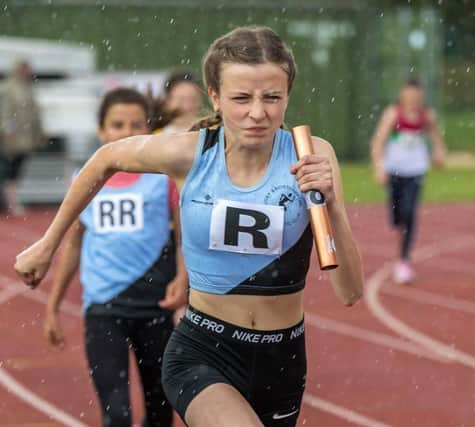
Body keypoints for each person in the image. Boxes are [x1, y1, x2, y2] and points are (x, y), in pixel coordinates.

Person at [15, 26, 364, 427]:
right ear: (214, 95)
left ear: (288, 95)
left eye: (272, 97)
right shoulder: (190, 154)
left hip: (281, 357)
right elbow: (106, 158)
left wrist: (332, 204)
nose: (257, 112)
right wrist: (47, 244)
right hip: (203, 351)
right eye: (241, 98)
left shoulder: (312, 154)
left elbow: (350, 291)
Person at [42, 87, 188, 427]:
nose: (126, 133)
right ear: (101, 130)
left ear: (148, 128)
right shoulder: (86, 180)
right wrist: (52, 307)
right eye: (117, 125)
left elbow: (185, 237)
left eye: (136, 124)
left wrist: (183, 278)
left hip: (155, 307)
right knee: (116, 414)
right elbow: (75, 245)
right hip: (103, 311)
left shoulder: (164, 179)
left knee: (160, 410)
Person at [370, 78, 446, 284]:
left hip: (416, 171)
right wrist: (379, 167)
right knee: (396, 215)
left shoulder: (426, 116)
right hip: (394, 170)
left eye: (416, 96)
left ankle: (404, 261)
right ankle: (395, 222)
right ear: (403, 95)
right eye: (409, 96)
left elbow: (436, 138)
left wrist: (439, 153)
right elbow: (378, 141)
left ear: (421, 96)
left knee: (410, 213)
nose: (413, 100)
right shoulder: (393, 114)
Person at [0, 59, 45, 216]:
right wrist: (7, 131)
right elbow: (5, 112)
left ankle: (10, 200)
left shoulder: (28, 87)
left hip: (25, 137)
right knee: (8, 168)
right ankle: (10, 202)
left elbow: (34, 113)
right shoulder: (7, 88)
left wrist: (39, 130)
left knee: (17, 167)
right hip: (11, 137)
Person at [159, 69, 203, 134]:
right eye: (181, 100)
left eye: (193, 100)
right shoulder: (156, 137)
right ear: (167, 102)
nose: (187, 106)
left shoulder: (214, 135)